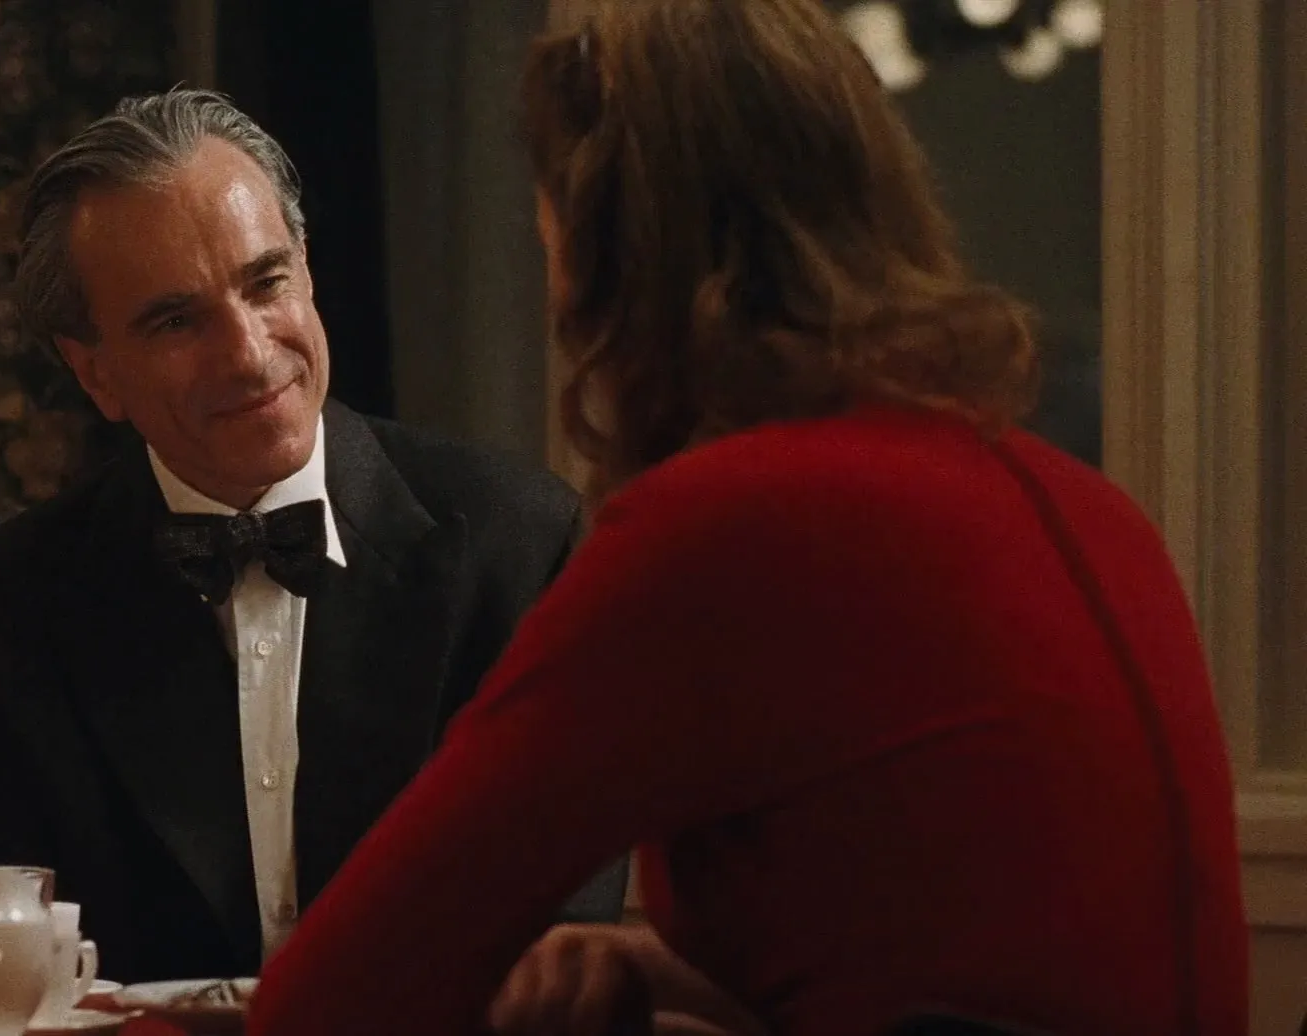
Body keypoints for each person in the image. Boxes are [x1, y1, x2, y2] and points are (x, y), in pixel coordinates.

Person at [246, 1, 1249, 1034]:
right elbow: (974, 963)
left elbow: (337, 992)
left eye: (548, 217)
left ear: (607, 251)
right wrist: (678, 974)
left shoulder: (732, 525)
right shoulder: (1087, 503)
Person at [0, 89, 627, 987]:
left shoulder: (524, 548)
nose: (250, 355)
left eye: (266, 284)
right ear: (94, 371)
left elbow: (563, 962)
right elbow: (19, 986)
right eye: (176, 321)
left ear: (309, 272)